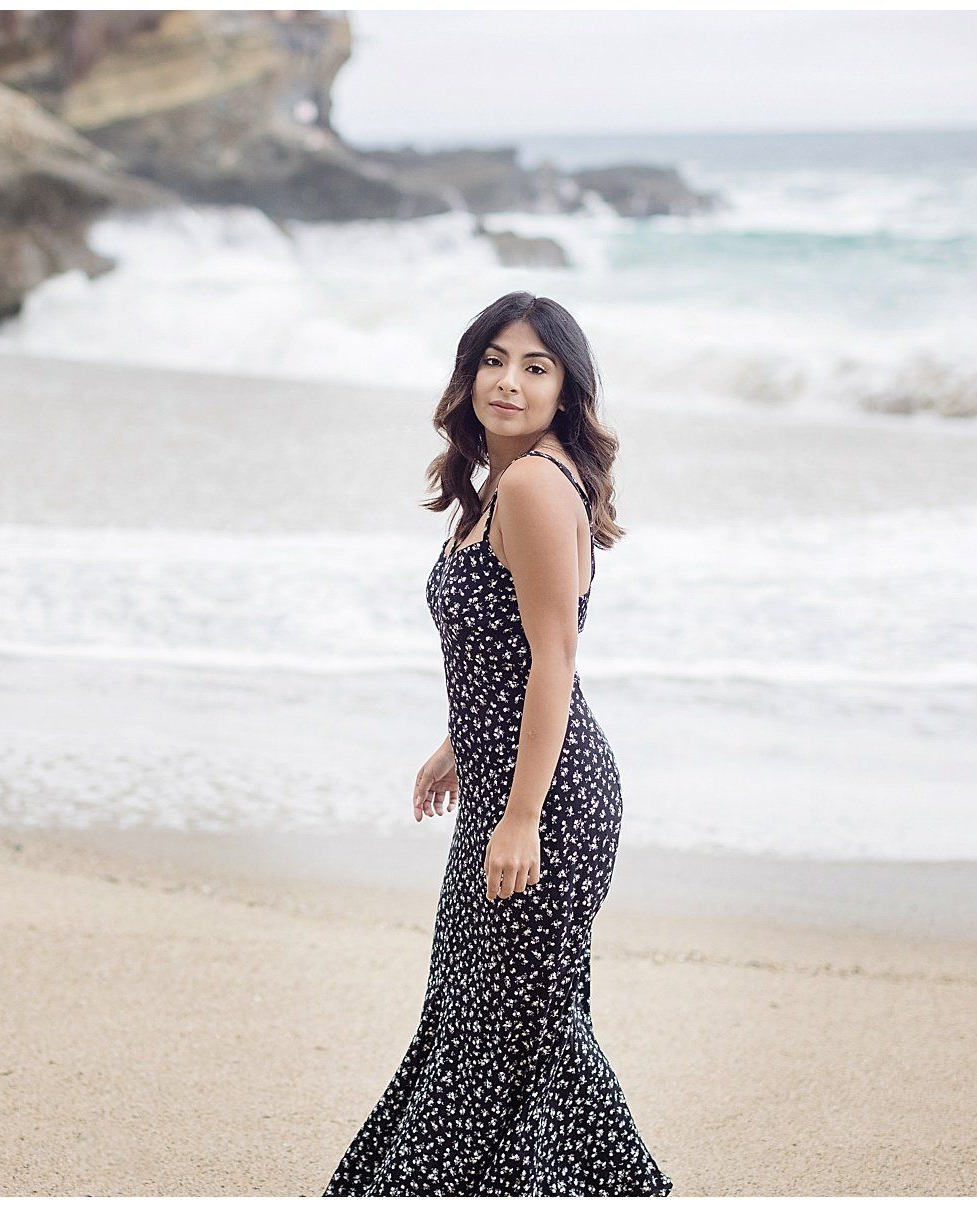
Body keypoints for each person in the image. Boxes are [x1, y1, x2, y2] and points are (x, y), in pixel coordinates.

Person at [324, 292, 673, 1196]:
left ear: (567, 389)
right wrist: (457, 742)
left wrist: (520, 818)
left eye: (535, 366)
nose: (508, 382)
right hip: (505, 783)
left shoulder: (531, 484)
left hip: (548, 799)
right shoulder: (492, 491)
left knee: (512, 1027)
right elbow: (503, 651)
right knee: (482, 1018)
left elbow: (557, 656)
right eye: (493, 360)